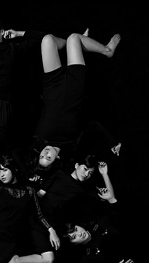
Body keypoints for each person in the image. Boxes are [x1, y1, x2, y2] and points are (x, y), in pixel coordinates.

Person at [32, 30, 121, 163]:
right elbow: (94, 125)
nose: (45, 153)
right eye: (48, 158)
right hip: (74, 88)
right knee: (74, 38)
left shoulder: (39, 137)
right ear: (57, 158)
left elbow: (16, 153)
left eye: (41, 156)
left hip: (52, 85)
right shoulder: (73, 142)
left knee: (47, 40)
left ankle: (78, 46)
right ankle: (107, 50)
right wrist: (112, 142)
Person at [0, 18, 44, 159]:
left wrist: (18, 33)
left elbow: (42, 38)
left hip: (4, 104)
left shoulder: (14, 49)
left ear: (2, 31)